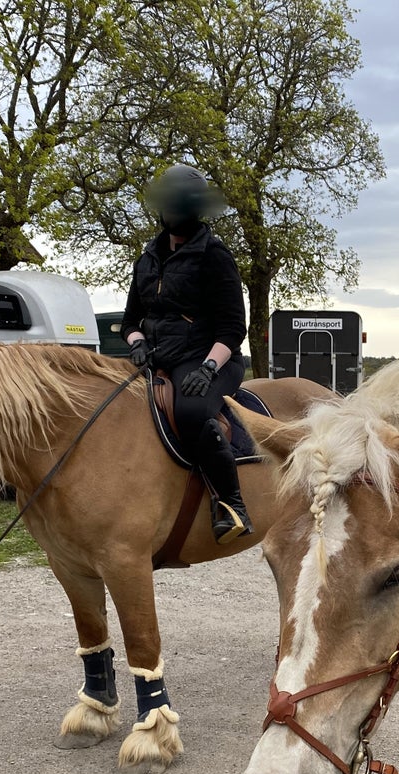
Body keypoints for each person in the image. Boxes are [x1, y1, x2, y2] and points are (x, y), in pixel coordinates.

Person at [121, 163, 252, 544]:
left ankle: (231, 504)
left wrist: (209, 368)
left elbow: (232, 328)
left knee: (191, 412)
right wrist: (138, 344)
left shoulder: (215, 255)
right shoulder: (146, 259)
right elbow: (130, 320)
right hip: (157, 358)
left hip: (209, 360)